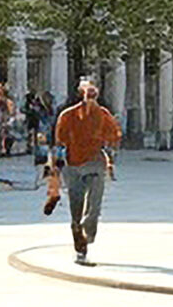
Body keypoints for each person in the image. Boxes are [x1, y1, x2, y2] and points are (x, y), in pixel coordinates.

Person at [46, 78, 120, 264]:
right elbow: (60, 139)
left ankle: (88, 233)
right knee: (76, 209)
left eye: (93, 94)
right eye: (88, 93)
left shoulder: (103, 114)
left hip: (95, 162)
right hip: (74, 165)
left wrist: (108, 146)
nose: (90, 98)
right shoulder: (68, 115)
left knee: (94, 206)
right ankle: (80, 247)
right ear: (81, 94)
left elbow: (114, 134)